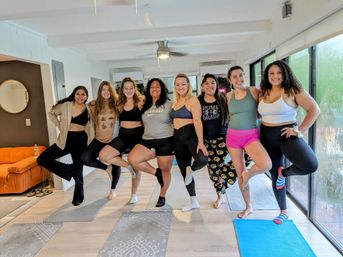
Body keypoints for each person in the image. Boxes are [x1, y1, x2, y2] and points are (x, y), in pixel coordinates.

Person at [258, 60, 320, 224]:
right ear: (267, 75)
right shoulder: (263, 92)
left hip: (287, 134)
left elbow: (314, 110)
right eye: (271, 73)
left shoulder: (293, 90)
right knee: (273, 172)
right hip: (266, 135)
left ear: (285, 74)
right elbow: (259, 114)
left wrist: (298, 130)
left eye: (279, 73)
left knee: (310, 164)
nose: (275, 76)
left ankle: (284, 173)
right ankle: (283, 211)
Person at [198, 73, 251, 209]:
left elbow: (236, 110)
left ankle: (224, 178)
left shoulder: (223, 98)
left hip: (224, 138)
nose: (210, 85)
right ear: (202, 86)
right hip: (207, 141)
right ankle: (220, 196)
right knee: (213, 171)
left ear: (216, 86)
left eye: (213, 83)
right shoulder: (197, 101)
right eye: (207, 83)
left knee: (248, 157)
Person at [226, 66, 272, 218]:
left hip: (250, 136)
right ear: (230, 80)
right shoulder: (228, 96)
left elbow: (261, 112)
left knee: (266, 164)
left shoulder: (253, 91)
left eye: (241, 75)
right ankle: (248, 206)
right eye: (235, 77)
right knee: (240, 173)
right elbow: (231, 115)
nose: (239, 79)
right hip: (232, 137)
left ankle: (249, 174)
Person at [37, 85, 91, 206]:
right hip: (65, 139)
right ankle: (68, 171)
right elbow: (51, 113)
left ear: (86, 96)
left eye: (83, 94)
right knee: (42, 159)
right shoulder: (66, 105)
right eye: (78, 94)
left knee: (79, 169)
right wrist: (59, 125)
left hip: (81, 140)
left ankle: (79, 197)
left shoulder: (88, 108)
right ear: (74, 94)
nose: (80, 96)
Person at [128, 78, 174, 208]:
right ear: (148, 90)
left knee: (165, 170)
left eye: (157, 86)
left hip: (166, 140)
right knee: (133, 159)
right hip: (147, 139)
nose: (154, 88)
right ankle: (156, 173)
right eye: (152, 87)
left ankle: (162, 195)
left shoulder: (170, 104)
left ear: (162, 89)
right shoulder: (143, 104)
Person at [99, 77, 144, 204]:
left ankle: (134, 194)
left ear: (135, 89)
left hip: (137, 137)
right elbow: (104, 101)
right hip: (123, 136)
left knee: (137, 167)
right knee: (103, 155)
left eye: (131, 88)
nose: (128, 90)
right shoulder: (119, 103)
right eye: (126, 88)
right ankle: (127, 166)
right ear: (122, 89)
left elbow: (147, 121)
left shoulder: (140, 102)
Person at [171, 73, 208, 212]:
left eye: (183, 84)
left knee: (202, 159)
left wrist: (201, 142)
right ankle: (193, 201)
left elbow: (198, 121)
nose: (180, 87)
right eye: (177, 84)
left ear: (188, 85)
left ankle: (191, 170)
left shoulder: (193, 100)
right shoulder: (175, 102)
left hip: (191, 138)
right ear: (175, 86)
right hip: (177, 140)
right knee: (182, 170)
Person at [80, 81, 121, 200]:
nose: (106, 92)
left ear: (111, 91)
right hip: (99, 139)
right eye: (103, 90)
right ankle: (106, 168)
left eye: (108, 90)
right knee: (85, 158)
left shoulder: (117, 103)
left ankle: (113, 190)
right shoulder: (93, 105)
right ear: (100, 91)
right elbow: (81, 107)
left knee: (116, 163)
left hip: (114, 140)